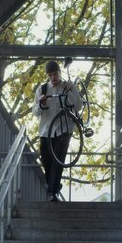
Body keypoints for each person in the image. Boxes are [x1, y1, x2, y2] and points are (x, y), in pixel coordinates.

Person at [32, 60, 82, 201]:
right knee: (47, 162)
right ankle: (54, 187)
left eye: (55, 74)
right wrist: (41, 104)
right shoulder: (42, 89)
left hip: (63, 129)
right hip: (45, 132)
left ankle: (52, 193)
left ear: (60, 72)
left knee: (58, 161)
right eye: (50, 75)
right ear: (47, 76)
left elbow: (77, 106)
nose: (53, 78)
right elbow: (35, 112)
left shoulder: (69, 86)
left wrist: (68, 93)